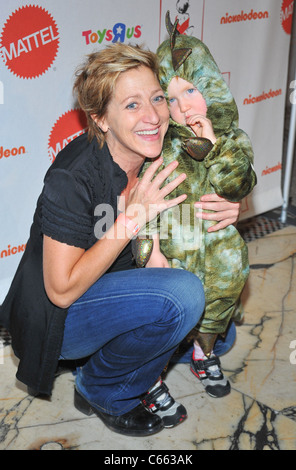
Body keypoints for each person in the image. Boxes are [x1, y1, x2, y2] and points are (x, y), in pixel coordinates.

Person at [0, 43, 240, 437]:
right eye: (131, 105)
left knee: (220, 332)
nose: (153, 117)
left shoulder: (160, 147)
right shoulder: (73, 178)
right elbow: (60, 291)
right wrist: (132, 218)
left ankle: (106, 361)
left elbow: (222, 169)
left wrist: (232, 204)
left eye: (157, 98)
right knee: (184, 298)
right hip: (62, 319)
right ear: (101, 119)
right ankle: (102, 388)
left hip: (117, 290)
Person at [134, 15, 257, 399]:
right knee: (165, 316)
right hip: (174, 249)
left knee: (222, 298)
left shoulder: (232, 137)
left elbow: (236, 183)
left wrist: (215, 147)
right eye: (169, 98)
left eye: (190, 91)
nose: (182, 106)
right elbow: (145, 199)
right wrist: (150, 248)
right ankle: (149, 371)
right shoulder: (162, 144)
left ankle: (203, 354)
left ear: (212, 86)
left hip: (220, 252)